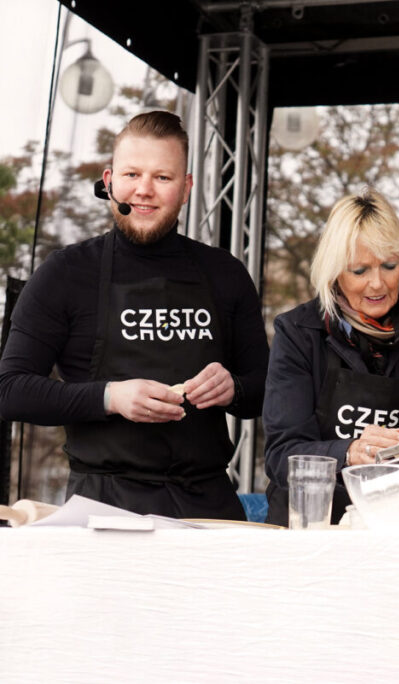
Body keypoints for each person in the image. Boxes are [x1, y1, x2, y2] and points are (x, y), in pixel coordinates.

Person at [0, 110, 269, 520]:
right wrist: (110, 397)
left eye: (163, 177)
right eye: (132, 175)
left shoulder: (226, 273)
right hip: (103, 507)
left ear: (186, 188)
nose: (144, 190)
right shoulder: (65, 272)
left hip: (209, 506)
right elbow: (10, 390)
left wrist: (233, 387)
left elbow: (268, 388)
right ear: (109, 182)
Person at [262, 188, 399, 525]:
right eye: (359, 271)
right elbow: (281, 456)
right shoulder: (299, 334)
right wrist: (349, 453)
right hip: (312, 528)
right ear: (334, 271)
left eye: (389, 266)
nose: (377, 284)